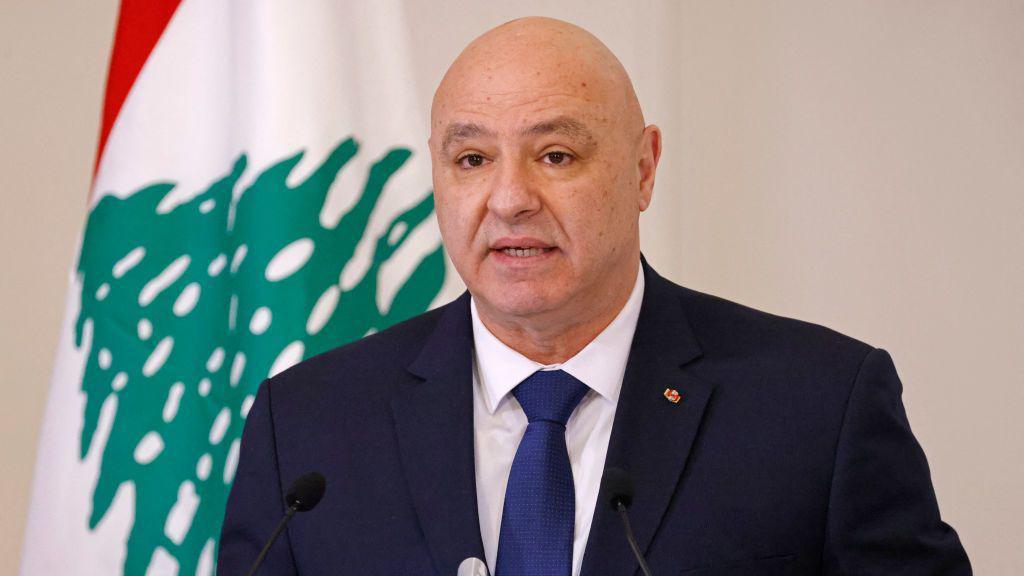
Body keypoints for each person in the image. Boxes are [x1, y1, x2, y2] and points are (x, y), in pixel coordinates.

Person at [218, 17, 971, 576]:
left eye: (556, 154)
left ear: (643, 169)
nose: (509, 199)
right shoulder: (308, 427)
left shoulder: (818, 407)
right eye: (473, 158)